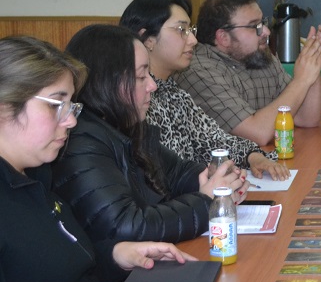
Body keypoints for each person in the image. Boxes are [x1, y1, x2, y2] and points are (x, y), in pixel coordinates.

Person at [0, 36, 197, 282]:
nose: (71, 121)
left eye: (71, 106)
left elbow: (51, 270)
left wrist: (115, 255)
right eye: (55, 105)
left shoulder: (36, 177)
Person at [52, 25, 247, 245]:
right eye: (141, 76)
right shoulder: (80, 144)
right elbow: (127, 227)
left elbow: (177, 171)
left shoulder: (126, 126)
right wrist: (207, 201)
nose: (152, 85)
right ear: (106, 83)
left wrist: (217, 178)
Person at [120, 0, 289, 180]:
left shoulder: (174, 93)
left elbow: (212, 141)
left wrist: (253, 156)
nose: (192, 40)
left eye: (190, 30)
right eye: (181, 30)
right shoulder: (132, 98)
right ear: (147, 39)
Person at [174, 0, 321, 147]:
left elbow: (307, 119)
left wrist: (313, 63)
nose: (266, 31)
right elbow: (259, 134)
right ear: (223, 37)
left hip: (267, 162)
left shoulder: (259, 56)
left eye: (262, 22)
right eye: (254, 26)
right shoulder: (197, 71)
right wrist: (302, 81)